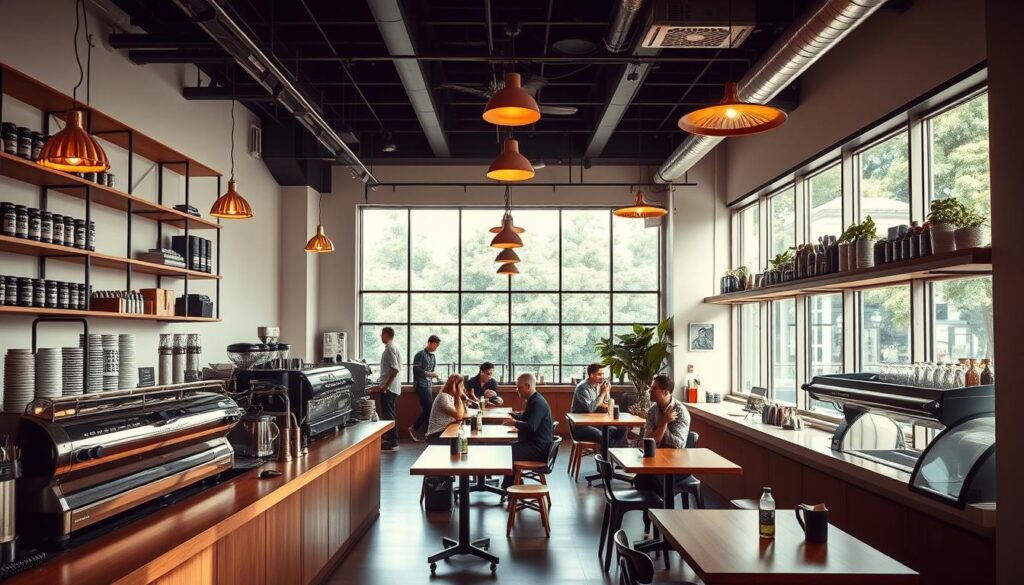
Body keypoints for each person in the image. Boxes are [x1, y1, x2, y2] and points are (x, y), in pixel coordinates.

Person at [634, 373, 692, 495]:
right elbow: (647, 442)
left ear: (665, 392)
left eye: (654, 388)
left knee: (653, 480)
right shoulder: (652, 410)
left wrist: (658, 431)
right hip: (657, 461)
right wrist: (664, 422)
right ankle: (650, 512)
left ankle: (662, 511)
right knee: (640, 479)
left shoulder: (680, 412)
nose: (650, 390)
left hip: (678, 464)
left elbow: (679, 444)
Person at [501, 372, 553, 489]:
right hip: (536, 445)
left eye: (519, 387)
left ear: (528, 386)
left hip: (539, 449)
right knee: (507, 447)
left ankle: (510, 486)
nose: (516, 390)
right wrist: (516, 416)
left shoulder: (537, 402)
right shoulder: (534, 399)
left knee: (507, 451)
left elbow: (531, 426)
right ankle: (512, 484)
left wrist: (514, 422)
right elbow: (528, 418)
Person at [571, 363, 626, 447]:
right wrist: (603, 393)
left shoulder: (598, 386)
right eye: (599, 374)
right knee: (606, 438)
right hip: (582, 426)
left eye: (603, 374)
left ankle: (607, 452)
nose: (603, 377)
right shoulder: (582, 388)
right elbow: (590, 409)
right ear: (591, 375)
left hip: (596, 424)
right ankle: (606, 456)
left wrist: (607, 391)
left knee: (622, 429)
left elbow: (606, 404)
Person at [370, 327, 402, 451]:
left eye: (382, 334)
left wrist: (386, 385)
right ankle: (391, 439)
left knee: (388, 415)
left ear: (387, 335)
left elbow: (395, 369)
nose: (380, 336)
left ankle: (392, 441)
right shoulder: (394, 347)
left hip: (389, 388)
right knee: (389, 413)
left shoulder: (390, 349)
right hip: (392, 387)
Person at [409, 335, 441, 442]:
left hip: (429, 385)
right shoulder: (419, 354)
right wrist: (430, 373)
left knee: (430, 409)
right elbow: (416, 369)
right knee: (429, 409)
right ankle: (414, 428)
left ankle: (427, 433)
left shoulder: (433, 356)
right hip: (421, 384)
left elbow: (432, 370)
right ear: (429, 343)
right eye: (436, 344)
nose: (437, 347)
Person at [424, 374, 467, 444]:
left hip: (446, 431)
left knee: (463, 438)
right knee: (462, 442)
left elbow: (461, 414)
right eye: (461, 386)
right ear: (455, 387)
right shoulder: (443, 397)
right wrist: (457, 395)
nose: (463, 388)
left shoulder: (451, 397)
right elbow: (458, 415)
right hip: (436, 435)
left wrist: (460, 397)